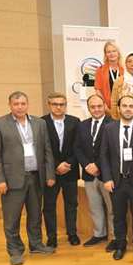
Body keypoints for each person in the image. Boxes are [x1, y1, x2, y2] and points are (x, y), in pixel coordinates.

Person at [0, 91, 56, 265]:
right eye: (16, 104)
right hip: (11, 181)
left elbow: (47, 150)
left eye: (23, 103)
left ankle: (36, 244)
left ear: (27, 104)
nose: (20, 107)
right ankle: (15, 251)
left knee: (35, 215)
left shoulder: (39, 123)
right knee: (12, 219)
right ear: (10, 105)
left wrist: (49, 174)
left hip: (36, 177)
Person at [100, 94, 133, 260]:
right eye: (125, 106)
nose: (128, 109)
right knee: (118, 216)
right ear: (119, 109)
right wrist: (106, 178)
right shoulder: (109, 128)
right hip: (117, 181)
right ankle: (120, 245)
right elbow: (104, 155)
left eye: (131, 106)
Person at [74, 94, 115, 250]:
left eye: (99, 106)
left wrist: (98, 165)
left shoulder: (113, 124)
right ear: (88, 108)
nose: (96, 109)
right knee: (95, 206)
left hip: (106, 174)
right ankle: (99, 234)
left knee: (112, 208)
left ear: (104, 105)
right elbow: (77, 148)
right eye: (93, 107)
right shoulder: (82, 125)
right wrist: (86, 165)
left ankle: (114, 236)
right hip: (88, 175)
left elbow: (112, 150)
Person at [41, 92, 81, 247]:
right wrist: (56, 165)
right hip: (51, 171)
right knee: (49, 205)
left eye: (62, 104)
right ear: (49, 105)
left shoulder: (74, 122)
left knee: (71, 204)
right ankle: (52, 237)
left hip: (70, 171)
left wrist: (67, 164)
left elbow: (78, 146)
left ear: (65, 105)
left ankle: (72, 233)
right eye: (55, 104)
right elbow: (42, 149)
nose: (58, 107)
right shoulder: (41, 122)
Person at [94, 41, 124, 113]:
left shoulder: (124, 70)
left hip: (122, 108)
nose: (112, 54)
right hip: (107, 108)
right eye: (108, 52)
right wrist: (104, 106)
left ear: (118, 53)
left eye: (114, 51)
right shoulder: (100, 70)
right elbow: (98, 90)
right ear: (105, 54)